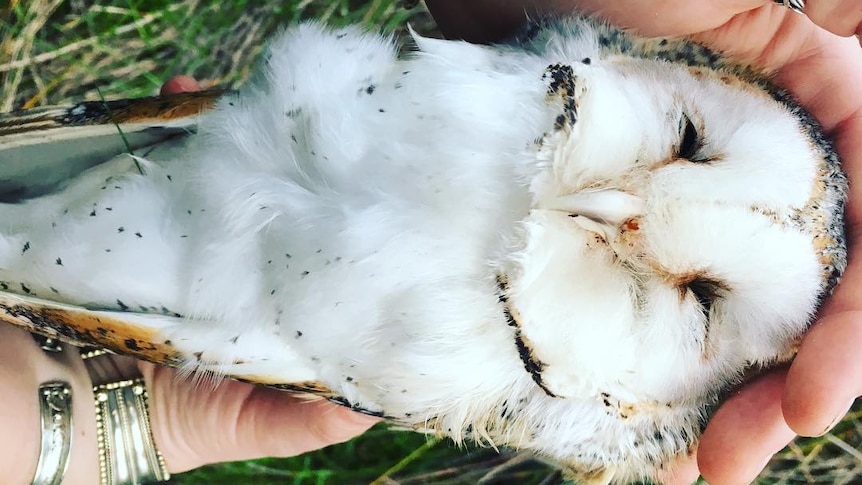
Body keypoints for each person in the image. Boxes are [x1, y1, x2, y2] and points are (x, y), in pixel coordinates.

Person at [5, 1, 860, 484]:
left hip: (184, 300)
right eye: (685, 138)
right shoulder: (543, 78)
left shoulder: (504, 375)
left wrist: (106, 420)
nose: (621, 209)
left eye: (701, 298)